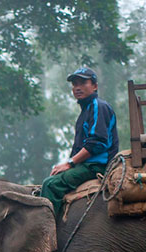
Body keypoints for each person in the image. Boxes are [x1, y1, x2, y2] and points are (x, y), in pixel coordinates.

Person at [40, 67, 119, 216]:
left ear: (95, 86)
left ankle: (45, 233)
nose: (77, 88)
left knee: (51, 185)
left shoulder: (98, 107)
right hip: (86, 165)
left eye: (83, 83)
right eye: (75, 84)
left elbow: (96, 142)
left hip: (97, 166)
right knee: (50, 179)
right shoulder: (87, 109)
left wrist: (70, 163)